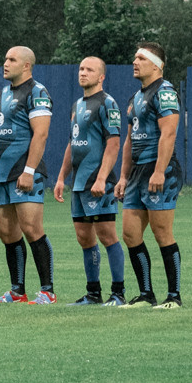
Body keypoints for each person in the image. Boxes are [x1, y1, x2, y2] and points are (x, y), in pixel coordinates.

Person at [0, 45, 56, 303]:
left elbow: (41, 134)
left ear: (26, 66)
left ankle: (48, 290)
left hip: (24, 171)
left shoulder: (37, 92)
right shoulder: (2, 93)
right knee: (7, 233)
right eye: (5, 58)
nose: (5, 63)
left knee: (31, 228)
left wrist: (29, 170)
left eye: (11, 59)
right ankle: (17, 291)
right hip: (1, 173)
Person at [54, 53, 127, 304]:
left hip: (98, 182)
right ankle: (93, 293)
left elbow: (114, 143)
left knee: (107, 235)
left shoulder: (107, 103)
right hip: (78, 182)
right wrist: (62, 178)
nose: (83, 73)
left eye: (89, 70)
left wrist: (102, 178)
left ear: (101, 76)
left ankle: (118, 293)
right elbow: (72, 143)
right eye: (81, 68)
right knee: (84, 237)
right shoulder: (77, 105)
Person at [116, 43, 184, 307]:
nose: (135, 61)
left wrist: (159, 171)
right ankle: (146, 294)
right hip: (136, 172)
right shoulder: (135, 99)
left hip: (159, 168)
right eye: (134, 57)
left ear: (157, 65)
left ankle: (174, 297)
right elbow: (129, 140)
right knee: (131, 234)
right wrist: (123, 177)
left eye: (141, 58)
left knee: (162, 233)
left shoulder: (165, 91)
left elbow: (169, 133)